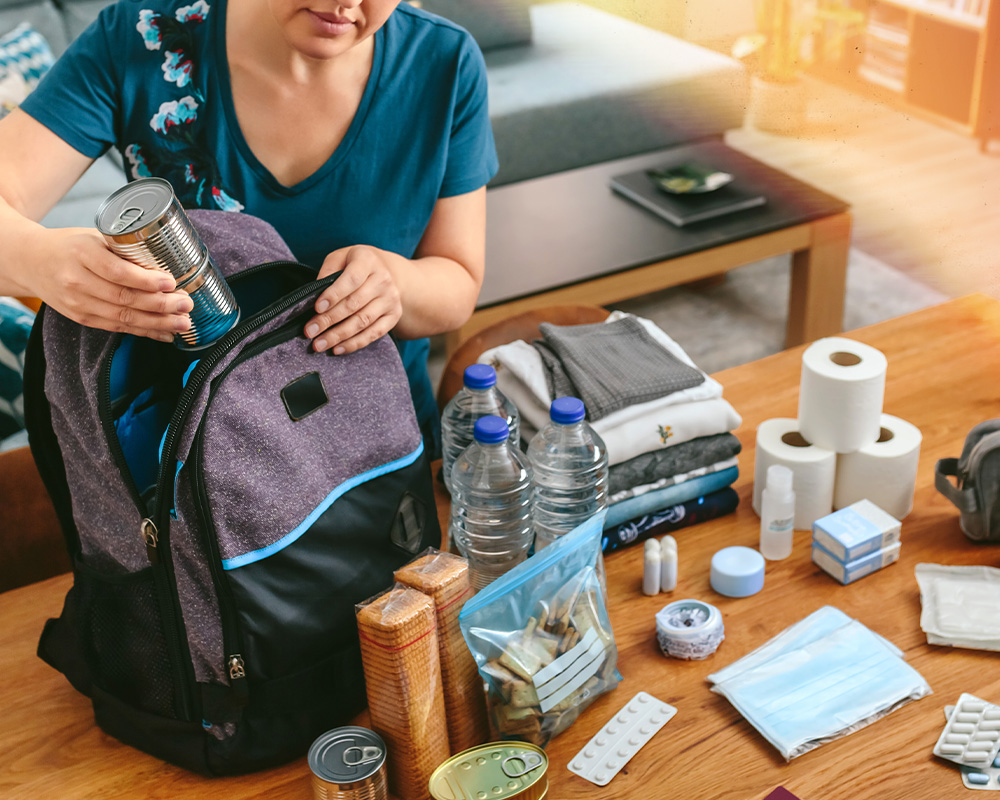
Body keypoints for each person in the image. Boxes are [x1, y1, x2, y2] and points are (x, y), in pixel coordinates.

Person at [0, 0, 498, 453]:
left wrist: (397, 284)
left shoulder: (445, 63)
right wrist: (38, 260)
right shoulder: (140, 38)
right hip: (191, 471)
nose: (346, 3)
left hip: (378, 457)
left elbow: (457, 280)